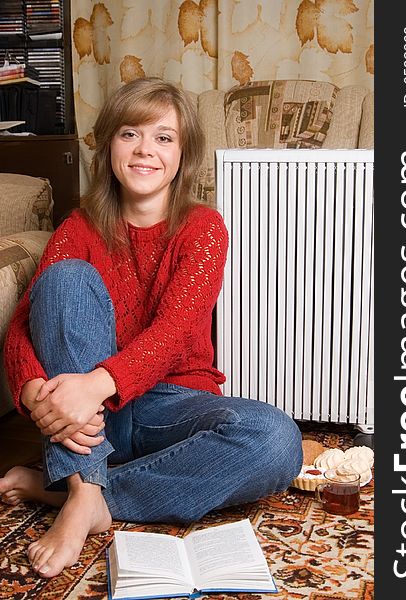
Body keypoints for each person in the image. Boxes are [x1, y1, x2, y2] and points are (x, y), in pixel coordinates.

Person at [0, 77, 302, 579]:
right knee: (64, 279)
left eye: (164, 137)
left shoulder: (203, 227)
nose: (146, 151)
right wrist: (37, 394)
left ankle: (82, 492)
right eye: (130, 134)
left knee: (275, 438)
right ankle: (83, 488)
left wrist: (95, 384)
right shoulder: (78, 228)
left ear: (183, 154)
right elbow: (21, 328)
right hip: (93, 417)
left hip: (170, 404)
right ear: (109, 146)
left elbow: (174, 332)